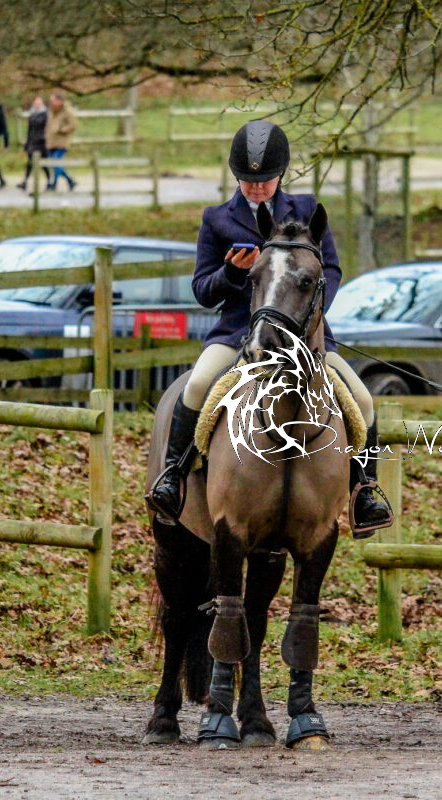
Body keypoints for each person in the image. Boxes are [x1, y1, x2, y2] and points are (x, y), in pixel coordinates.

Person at [147, 119, 393, 537]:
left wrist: (308, 314)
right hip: (239, 334)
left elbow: (331, 270)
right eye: (248, 181)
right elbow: (202, 289)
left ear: (281, 174)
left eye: (265, 180)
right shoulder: (216, 220)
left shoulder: (307, 211)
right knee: (197, 385)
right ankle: (173, 478)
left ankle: (364, 493)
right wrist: (230, 272)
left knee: (364, 401)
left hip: (306, 337)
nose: (257, 188)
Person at [16, 96, 50, 192]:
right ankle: (25, 181)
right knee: (30, 162)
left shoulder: (45, 114)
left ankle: (49, 181)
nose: (37, 105)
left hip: (41, 141)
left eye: (39, 103)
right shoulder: (32, 114)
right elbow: (30, 129)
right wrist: (27, 142)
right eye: (36, 103)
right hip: (32, 141)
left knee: (44, 163)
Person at [45, 91, 77, 191]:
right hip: (51, 142)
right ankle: (70, 181)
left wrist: (62, 129)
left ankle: (54, 183)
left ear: (59, 101)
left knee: (56, 162)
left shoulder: (67, 112)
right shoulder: (51, 112)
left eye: (53, 100)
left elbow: (73, 125)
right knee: (54, 164)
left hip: (61, 142)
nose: (51, 102)